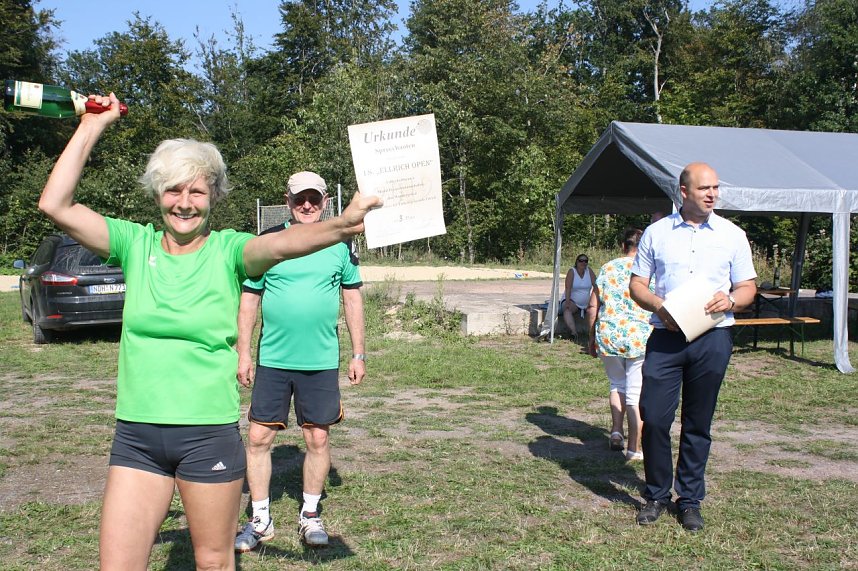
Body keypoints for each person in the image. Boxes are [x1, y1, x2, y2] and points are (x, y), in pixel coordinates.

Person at [37, 92, 380, 571]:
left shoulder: (231, 251)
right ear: (158, 194)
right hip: (137, 437)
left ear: (214, 197)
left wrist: (342, 225)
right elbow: (55, 204)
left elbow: (285, 243)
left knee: (215, 563)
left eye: (197, 191)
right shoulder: (133, 244)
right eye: (173, 190)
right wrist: (94, 124)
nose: (184, 202)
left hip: (207, 437)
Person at [233, 171, 366, 551]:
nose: (307, 205)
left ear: (326, 201)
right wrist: (243, 352)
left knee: (317, 437)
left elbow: (352, 297)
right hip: (274, 359)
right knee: (258, 437)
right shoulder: (268, 242)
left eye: (314, 199)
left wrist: (358, 353)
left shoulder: (341, 243)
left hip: (320, 361)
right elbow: (250, 299)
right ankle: (259, 520)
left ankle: (310, 515)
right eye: (299, 199)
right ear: (287, 201)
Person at [629, 162, 756, 532]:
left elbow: (748, 287)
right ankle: (655, 494)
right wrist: (659, 306)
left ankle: (689, 500)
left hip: (712, 338)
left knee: (698, 423)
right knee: (653, 417)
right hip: (666, 336)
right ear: (683, 191)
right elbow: (637, 285)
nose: (712, 194)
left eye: (716, 187)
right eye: (704, 188)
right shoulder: (657, 233)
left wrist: (731, 299)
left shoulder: (732, 234)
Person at [586, 228, 652, 461]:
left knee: (617, 384)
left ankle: (616, 432)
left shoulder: (607, 268)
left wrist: (592, 336)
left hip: (609, 334)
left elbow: (593, 305)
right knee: (636, 392)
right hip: (639, 337)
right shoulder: (650, 270)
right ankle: (634, 447)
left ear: (623, 246)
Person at [562, 254, 596, 339]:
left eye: (585, 261)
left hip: (586, 303)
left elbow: (596, 286)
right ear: (576, 261)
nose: (583, 263)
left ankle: (593, 334)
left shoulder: (589, 271)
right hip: (572, 300)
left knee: (595, 311)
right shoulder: (572, 271)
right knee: (567, 310)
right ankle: (574, 333)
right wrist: (567, 302)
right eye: (581, 260)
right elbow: (568, 288)